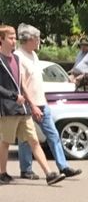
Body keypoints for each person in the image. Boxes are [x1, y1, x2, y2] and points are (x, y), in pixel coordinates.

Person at [15, 24, 81, 180]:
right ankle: (26, 169)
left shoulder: (34, 55)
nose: (39, 41)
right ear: (29, 39)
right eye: (37, 38)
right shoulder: (19, 56)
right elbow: (21, 84)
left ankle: (63, 166)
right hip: (29, 104)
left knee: (53, 135)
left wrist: (42, 102)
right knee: (27, 138)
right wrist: (32, 105)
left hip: (41, 103)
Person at [0, 24, 63, 185]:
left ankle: (49, 174)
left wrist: (31, 103)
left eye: (15, 37)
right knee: (6, 142)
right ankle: (2, 172)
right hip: (8, 109)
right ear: (1, 40)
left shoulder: (16, 58)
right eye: (11, 38)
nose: (14, 41)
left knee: (33, 140)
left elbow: (22, 84)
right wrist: (14, 96)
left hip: (23, 108)